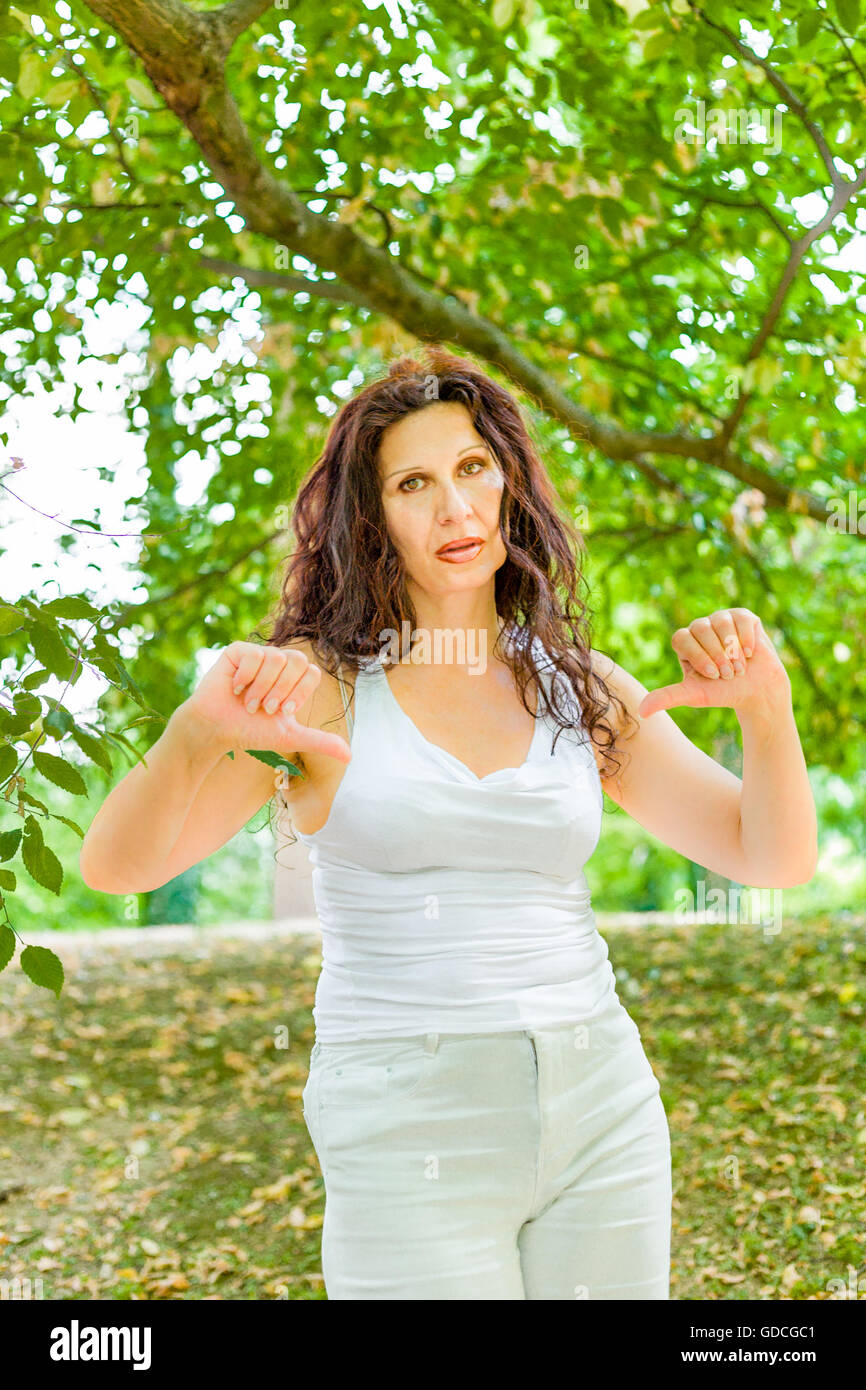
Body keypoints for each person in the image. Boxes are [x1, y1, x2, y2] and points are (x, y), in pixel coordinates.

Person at [80, 346, 817, 1300]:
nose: (454, 508)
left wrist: (768, 711)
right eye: (413, 484)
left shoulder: (580, 689)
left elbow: (773, 858)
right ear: (372, 518)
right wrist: (189, 738)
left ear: (510, 484)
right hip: (402, 1115)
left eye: (473, 468)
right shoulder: (321, 687)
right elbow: (117, 868)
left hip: (600, 1099)